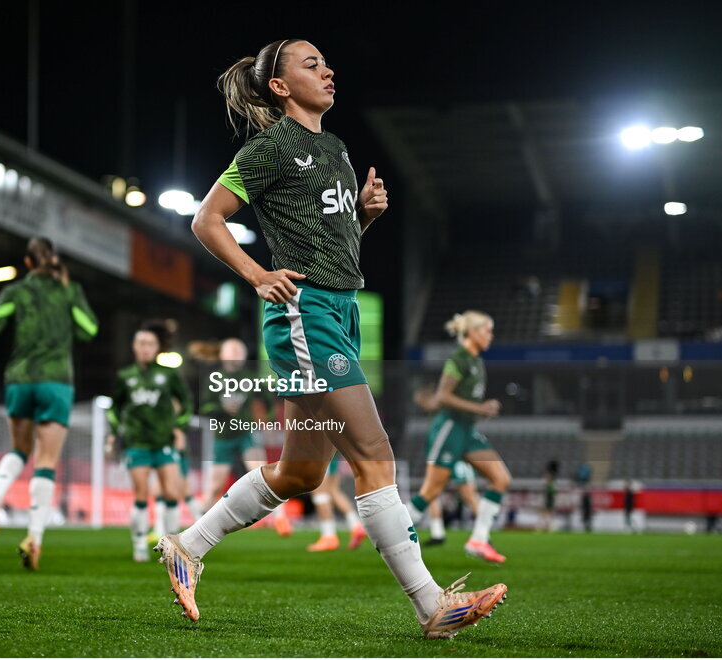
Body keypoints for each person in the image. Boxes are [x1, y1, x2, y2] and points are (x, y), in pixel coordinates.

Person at [154, 39, 506, 639]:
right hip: (305, 313)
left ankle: (188, 544)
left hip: (335, 310)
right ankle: (431, 607)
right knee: (375, 456)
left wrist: (363, 215)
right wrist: (257, 274)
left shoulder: (336, 149)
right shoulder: (268, 149)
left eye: (326, 62)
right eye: (311, 64)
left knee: (301, 474)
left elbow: (336, 246)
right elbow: (205, 219)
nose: (328, 70)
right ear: (281, 87)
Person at [0, 237, 98, 572]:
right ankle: (33, 540)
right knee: (46, 461)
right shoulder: (69, 290)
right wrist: (66, 296)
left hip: (19, 379)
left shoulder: (15, 291)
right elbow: (90, 329)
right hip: (55, 382)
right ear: (54, 260)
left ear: (27, 263)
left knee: (19, 448)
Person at [411, 311, 512, 564]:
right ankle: (391, 534)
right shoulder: (459, 359)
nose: (491, 335)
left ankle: (478, 540)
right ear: (473, 332)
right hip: (450, 429)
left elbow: (446, 399)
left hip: (467, 431)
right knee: (430, 491)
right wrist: (481, 408)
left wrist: (484, 407)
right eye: (487, 330)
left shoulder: (477, 361)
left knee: (500, 478)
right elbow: (444, 397)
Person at [107, 321, 193, 562]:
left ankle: (172, 545)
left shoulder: (169, 374)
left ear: (157, 348)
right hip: (137, 443)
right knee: (141, 495)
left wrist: (179, 427)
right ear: (134, 346)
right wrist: (114, 431)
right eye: (141, 343)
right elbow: (114, 408)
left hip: (163, 440)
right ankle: (139, 547)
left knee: (171, 492)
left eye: (150, 344)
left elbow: (186, 403)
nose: (145, 348)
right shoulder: (125, 377)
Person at [198, 337, 293, 535]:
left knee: (262, 474)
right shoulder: (214, 378)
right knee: (215, 486)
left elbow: (269, 402)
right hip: (223, 437)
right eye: (232, 351)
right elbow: (204, 408)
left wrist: (266, 422)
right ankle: (198, 527)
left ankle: (281, 517)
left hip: (246, 433)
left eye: (239, 352)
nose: (236, 355)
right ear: (223, 355)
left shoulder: (250, 377)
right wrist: (221, 409)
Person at [306, 455, 367, 551]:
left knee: (319, 492)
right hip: (332, 449)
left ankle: (328, 536)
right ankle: (356, 525)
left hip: (323, 449)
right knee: (333, 490)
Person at [422, 460, 480, 546]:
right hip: (441, 458)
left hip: (458, 457)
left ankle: (482, 534)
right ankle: (437, 534)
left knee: (469, 496)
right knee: (431, 494)